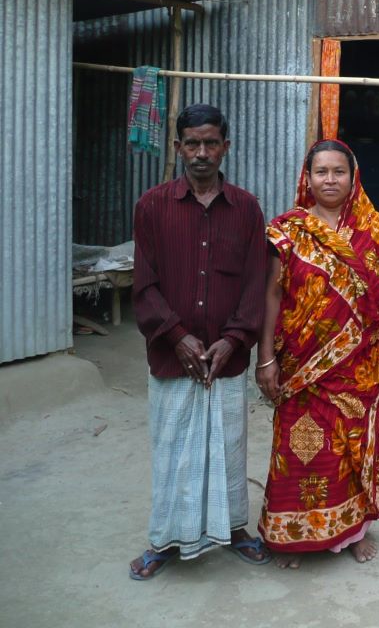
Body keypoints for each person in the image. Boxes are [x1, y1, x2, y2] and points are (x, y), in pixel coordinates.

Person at [255, 139, 379, 569]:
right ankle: (295, 537)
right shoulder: (286, 231)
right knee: (300, 450)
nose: (330, 179)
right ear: (306, 178)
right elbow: (270, 296)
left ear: (352, 176)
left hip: (358, 365)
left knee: (352, 449)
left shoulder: (372, 229)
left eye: (338, 171)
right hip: (300, 364)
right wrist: (265, 357)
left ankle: (355, 531)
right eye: (321, 171)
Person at [129, 104, 270, 580]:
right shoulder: (152, 205)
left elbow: (256, 284)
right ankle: (165, 540)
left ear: (226, 146)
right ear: (179, 147)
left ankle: (232, 529)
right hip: (174, 358)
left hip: (226, 360)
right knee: (172, 448)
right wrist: (177, 336)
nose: (202, 153)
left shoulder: (247, 208)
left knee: (228, 447)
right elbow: (144, 284)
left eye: (212, 143)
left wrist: (233, 340)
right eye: (193, 143)